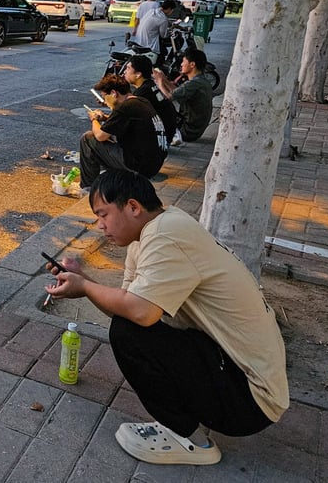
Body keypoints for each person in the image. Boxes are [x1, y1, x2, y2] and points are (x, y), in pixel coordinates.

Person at [44, 169, 289, 466]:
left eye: (104, 214)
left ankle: (191, 441)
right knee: (129, 328)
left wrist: (85, 287)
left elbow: (141, 314)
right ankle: (188, 422)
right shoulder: (153, 231)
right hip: (238, 375)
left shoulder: (164, 236)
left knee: (127, 336)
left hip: (251, 400)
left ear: (133, 207)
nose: (100, 226)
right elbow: (128, 307)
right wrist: (84, 282)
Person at [79, 74, 167, 192]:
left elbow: (100, 136)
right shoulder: (140, 101)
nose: (105, 101)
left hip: (139, 167)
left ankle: (89, 187)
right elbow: (120, 121)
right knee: (113, 136)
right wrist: (105, 117)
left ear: (114, 93)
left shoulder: (125, 107)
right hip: (153, 164)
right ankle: (110, 178)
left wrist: (94, 118)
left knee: (88, 138)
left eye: (105, 97)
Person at [153, 47, 214, 143]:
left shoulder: (194, 83)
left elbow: (169, 96)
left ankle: (173, 135)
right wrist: (164, 79)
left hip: (187, 130)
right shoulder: (201, 81)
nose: (181, 64)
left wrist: (160, 82)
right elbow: (177, 92)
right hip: (195, 129)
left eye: (183, 62)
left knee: (160, 106)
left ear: (192, 64)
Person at [123, 54, 178, 144]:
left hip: (157, 141)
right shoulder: (150, 86)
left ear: (138, 74)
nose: (125, 71)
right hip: (166, 136)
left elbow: (124, 118)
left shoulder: (142, 94)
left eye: (128, 68)